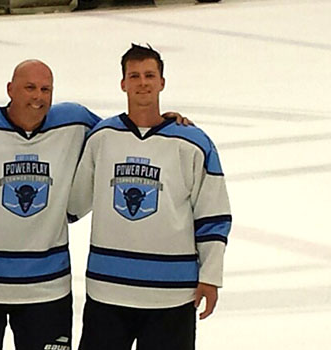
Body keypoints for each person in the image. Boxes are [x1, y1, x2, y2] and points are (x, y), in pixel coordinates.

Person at [0, 59, 190, 350]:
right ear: (10, 89)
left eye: (45, 89)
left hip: (47, 288)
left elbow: (122, 138)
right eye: (29, 88)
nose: (38, 97)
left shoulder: (74, 122)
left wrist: (162, 123)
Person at [67, 44, 232, 350]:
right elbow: (72, 205)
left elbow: (213, 214)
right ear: (123, 83)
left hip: (172, 294)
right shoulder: (102, 138)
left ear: (161, 82)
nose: (142, 82)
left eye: (149, 75)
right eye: (134, 75)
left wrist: (210, 276)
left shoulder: (193, 143)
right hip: (108, 290)